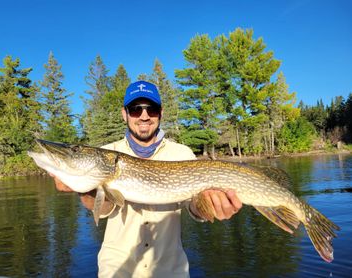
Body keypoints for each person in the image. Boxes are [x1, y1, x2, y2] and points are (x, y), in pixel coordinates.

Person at [53, 80, 242, 277]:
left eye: (151, 109)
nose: (144, 116)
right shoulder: (108, 153)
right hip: (118, 270)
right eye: (135, 109)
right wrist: (84, 188)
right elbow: (104, 209)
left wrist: (211, 206)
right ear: (124, 114)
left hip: (170, 270)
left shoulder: (181, 153)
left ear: (160, 113)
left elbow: (194, 207)